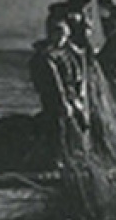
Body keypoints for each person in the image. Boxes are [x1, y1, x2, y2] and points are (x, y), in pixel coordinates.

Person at [28, 16, 88, 158]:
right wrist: (64, 102)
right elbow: (54, 83)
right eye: (58, 34)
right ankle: (58, 157)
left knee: (83, 122)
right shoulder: (45, 56)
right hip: (53, 96)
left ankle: (77, 152)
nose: (61, 38)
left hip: (71, 95)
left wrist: (78, 96)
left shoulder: (68, 54)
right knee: (59, 123)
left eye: (64, 35)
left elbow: (78, 75)